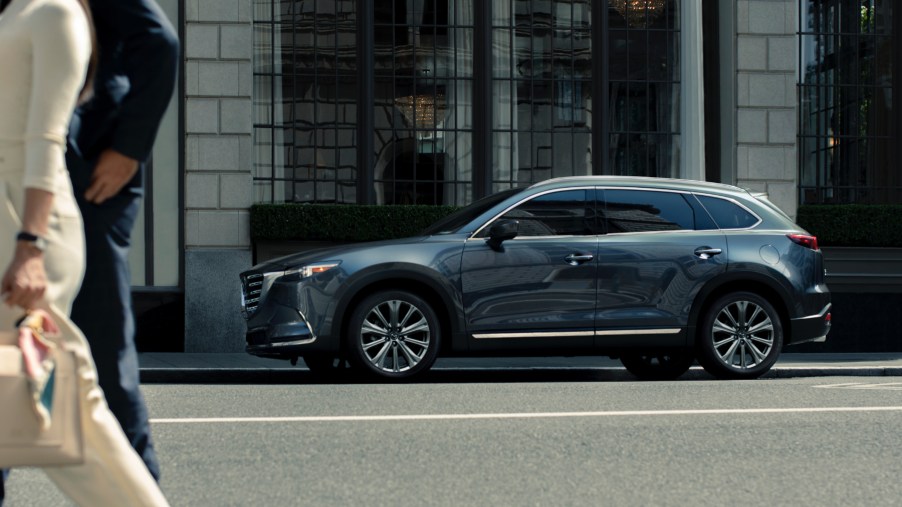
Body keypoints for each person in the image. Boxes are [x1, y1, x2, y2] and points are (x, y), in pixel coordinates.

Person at [0, 0, 169, 504]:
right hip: (16, 210)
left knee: (81, 388)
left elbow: (46, 140)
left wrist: (31, 245)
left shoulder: (56, 13)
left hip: (54, 207)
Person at [65, 0, 179, 482]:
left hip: (89, 179)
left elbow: (159, 41)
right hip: (24, 178)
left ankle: (138, 490)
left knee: (103, 355)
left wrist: (128, 150)